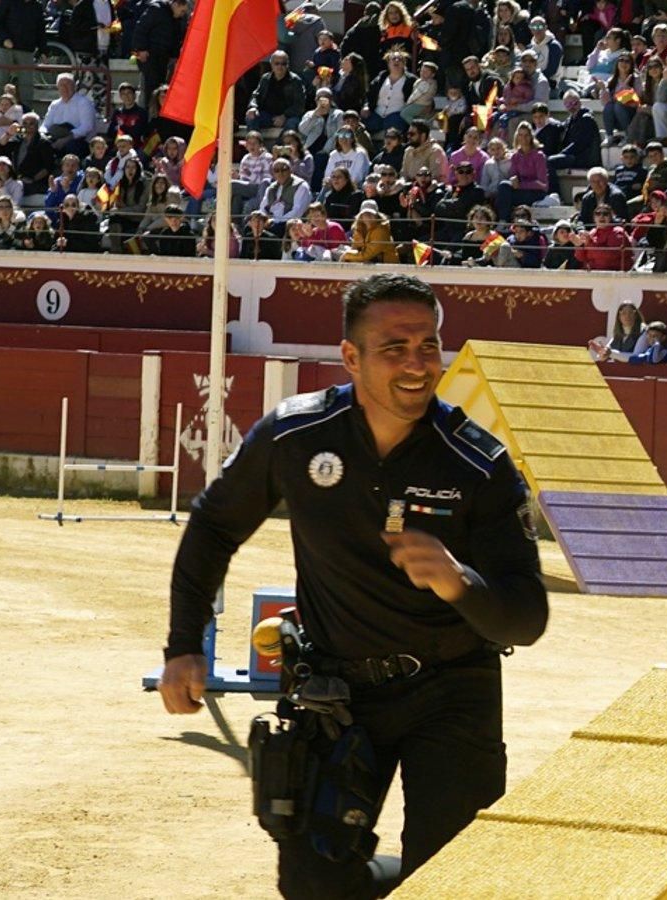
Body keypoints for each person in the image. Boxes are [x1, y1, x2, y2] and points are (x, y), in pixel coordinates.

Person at [158, 273, 547, 899]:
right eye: (395, 347)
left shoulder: (480, 465)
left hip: (452, 692)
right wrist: (183, 644)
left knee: (451, 885)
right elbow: (212, 527)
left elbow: (526, 619)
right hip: (335, 693)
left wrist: (460, 583)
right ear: (350, 357)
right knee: (314, 886)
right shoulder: (294, 436)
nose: (418, 363)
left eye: (429, 344)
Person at [131, 0, 188, 101]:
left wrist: (174, 56)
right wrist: (140, 49)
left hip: (164, 58)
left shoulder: (177, 19)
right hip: (149, 57)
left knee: (160, 90)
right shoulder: (156, 10)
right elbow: (140, 29)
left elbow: (176, 38)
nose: (182, 14)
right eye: (182, 11)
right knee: (151, 89)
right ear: (175, 4)